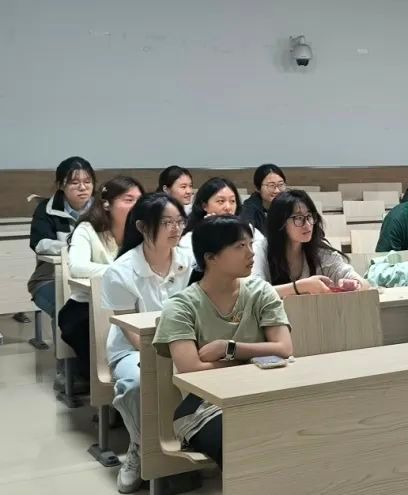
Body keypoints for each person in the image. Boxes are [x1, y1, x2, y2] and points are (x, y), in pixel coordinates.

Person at [153, 215, 293, 468]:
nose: (251, 252)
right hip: (205, 407)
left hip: (264, 393)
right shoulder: (180, 306)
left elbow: (284, 348)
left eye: (250, 244)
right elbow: (192, 370)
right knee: (253, 450)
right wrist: (254, 360)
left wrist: (228, 348)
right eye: (240, 246)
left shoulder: (261, 292)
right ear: (211, 257)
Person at [101, 193, 193, 492]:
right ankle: (140, 447)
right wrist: (170, 359)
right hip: (133, 349)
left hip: (182, 343)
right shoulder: (120, 271)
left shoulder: (190, 261)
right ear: (142, 227)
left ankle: (184, 446)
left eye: (180, 221)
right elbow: (132, 332)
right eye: (166, 222)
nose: (176, 228)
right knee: (137, 383)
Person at [61, 176, 144, 383]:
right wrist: (120, 272)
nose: (136, 206)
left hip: (132, 305)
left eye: (139, 200)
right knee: (84, 329)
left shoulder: (142, 231)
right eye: (129, 200)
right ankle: (99, 386)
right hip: (86, 305)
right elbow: (77, 267)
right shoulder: (87, 229)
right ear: (107, 204)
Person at [253, 190, 371, 296]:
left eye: (309, 216)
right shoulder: (260, 250)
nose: (308, 224)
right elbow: (254, 293)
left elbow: (363, 283)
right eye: (298, 218)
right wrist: (300, 287)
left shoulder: (320, 252)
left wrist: (355, 284)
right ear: (280, 223)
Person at [26, 156, 96, 319]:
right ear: (61, 185)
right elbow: (40, 244)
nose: (82, 187)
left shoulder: (102, 209)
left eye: (87, 181)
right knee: (69, 311)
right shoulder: (46, 209)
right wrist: (76, 247)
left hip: (92, 277)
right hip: (49, 278)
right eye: (74, 182)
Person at [181, 177, 266, 277]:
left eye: (232, 201)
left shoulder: (249, 231)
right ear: (204, 206)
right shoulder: (189, 239)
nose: (228, 207)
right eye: (221, 201)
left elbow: (258, 273)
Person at [239, 163, 287, 235]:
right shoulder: (249, 209)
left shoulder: (290, 204)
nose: (277, 190)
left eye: (280, 185)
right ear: (257, 188)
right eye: (271, 185)